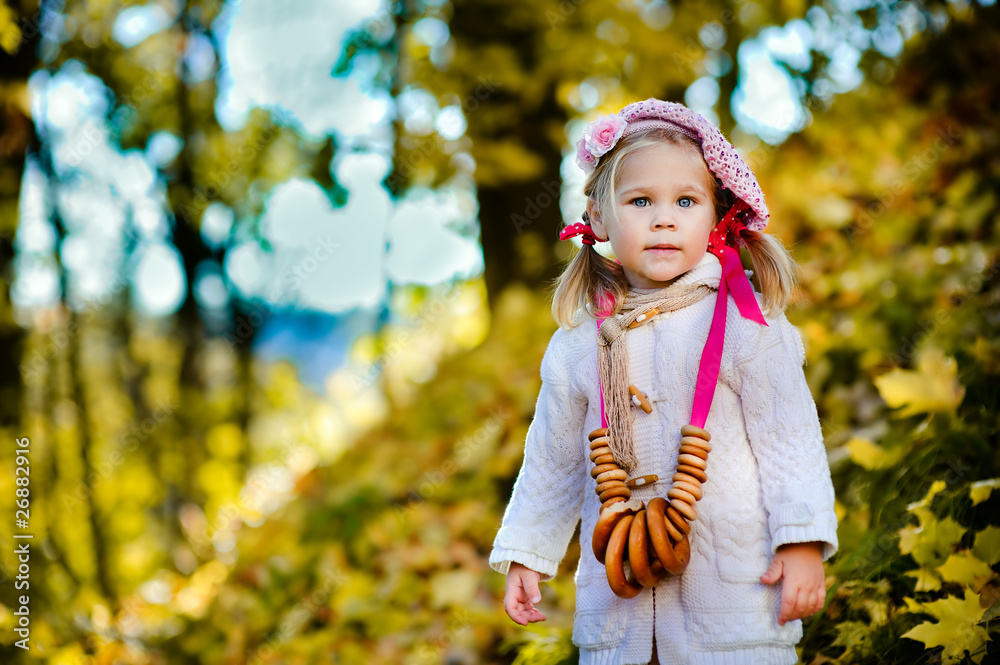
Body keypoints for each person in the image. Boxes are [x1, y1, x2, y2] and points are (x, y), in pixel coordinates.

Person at [488, 98, 839, 665]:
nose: (664, 218)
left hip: (733, 607)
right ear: (599, 219)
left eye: (685, 200)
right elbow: (552, 459)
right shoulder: (580, 343)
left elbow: (789, 440)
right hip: (620, 611)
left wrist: (801, 541)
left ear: (716, 214)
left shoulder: (749, 326)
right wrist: (528, 553)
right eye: (640, 201)